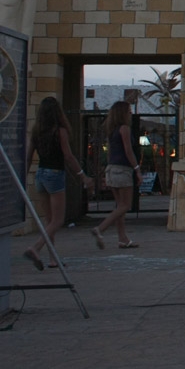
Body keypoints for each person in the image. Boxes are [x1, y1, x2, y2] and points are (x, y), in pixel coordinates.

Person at [23, 96, 92, 270]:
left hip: (40, 174)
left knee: (49, 221)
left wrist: (23, 177)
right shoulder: (59, 131)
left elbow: (29, 156)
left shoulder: (36, 131)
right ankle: (35, 248)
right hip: (55, 174)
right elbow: (68, 156)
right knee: (58, 220)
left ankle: (53, 258)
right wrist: (82, 175)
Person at [91, 100, 141, 250]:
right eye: (129, 111)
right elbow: (128, 150)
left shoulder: (112, 130)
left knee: (120, 206)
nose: (131, 113)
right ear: (123, 113)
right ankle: (100, 228)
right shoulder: (124, 129)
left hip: (112, 168)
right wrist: (137, 168)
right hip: (122, 170)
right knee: (126, 205)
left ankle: (123, 239)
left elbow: (111, 152)